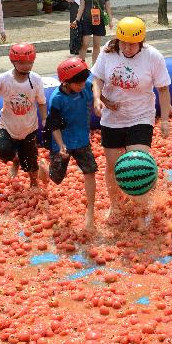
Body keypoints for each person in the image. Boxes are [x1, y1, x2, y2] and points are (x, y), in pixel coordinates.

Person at [91, 17, 172, 220]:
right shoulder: (108, 53)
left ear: (141, 42)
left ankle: (141, 206)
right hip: (113, 119)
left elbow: (163, 89)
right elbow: (97, 79)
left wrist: (164, 120)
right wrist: (98, 99)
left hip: (141, 116)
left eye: (132, 44)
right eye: (123, 43)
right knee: (112, 165)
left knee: (139, 161)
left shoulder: (153, 57)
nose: (127, 48)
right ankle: (115, 205)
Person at [0, 43, 48, 189]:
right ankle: (16, 160)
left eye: (29, 63)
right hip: (8, 126)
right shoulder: (3, 79)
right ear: (13, 61)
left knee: (31, 160)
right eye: (22, 63)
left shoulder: (36, 80)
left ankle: (33, 183)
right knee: (3, 152)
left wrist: (44, 118)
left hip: (29, 127)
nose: (26, 66)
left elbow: (42, 102)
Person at [45, 57, 98, 232]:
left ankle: (90, 210)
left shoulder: (84, 85)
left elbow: (94, 84)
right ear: (66, 83)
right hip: (63, 141)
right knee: (57, 179)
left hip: (82, 139)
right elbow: (53, 125)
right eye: (78, 83)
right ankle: (43, 167)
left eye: (83, 81)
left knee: (90, 171)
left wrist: (99, 100)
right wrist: (60, 146)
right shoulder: (57, 99)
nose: (82, 85)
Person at [73, 0, 114, 64]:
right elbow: (81, 7)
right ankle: (81, 66)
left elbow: (108, 7)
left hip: (99, 22)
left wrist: (110, 21)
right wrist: (77, 20)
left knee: (96, 45)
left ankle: (94, 67)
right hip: (86, 21)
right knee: (85, 44)